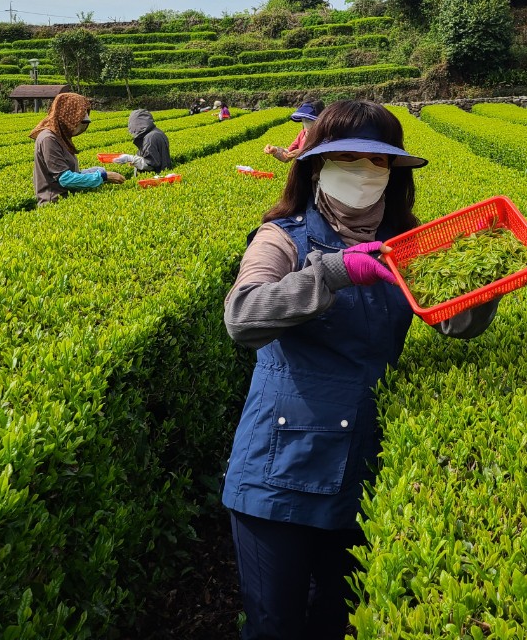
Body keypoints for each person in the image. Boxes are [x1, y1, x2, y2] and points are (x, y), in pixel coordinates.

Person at [222, 100, 500, 638]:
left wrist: (489, 281)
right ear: (316, 166)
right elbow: (242, 317)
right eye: (347, 158)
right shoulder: (281, 237)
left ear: (392, 174)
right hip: (277, 466)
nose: (363, 173)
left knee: (340, 618)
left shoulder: (407, 243)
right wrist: (332, 273)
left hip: (363, 462)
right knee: (274, 624)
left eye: (377, 163)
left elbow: (455, 325)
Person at [31, 91, 125, 205]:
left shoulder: (59, 136)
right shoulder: (49, 139)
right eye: (80, 120)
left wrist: (96, 171)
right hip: (54, 203)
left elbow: (68, 173)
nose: (81, 126)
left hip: (67, 201)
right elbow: (65, 179)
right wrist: (103, 177)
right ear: (68, 116)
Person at [114, 108, 172, 174]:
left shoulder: (150, 138)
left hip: (154, 178)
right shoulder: (156, 132)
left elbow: (150, 164)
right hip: (163, 172)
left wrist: (131, 159)